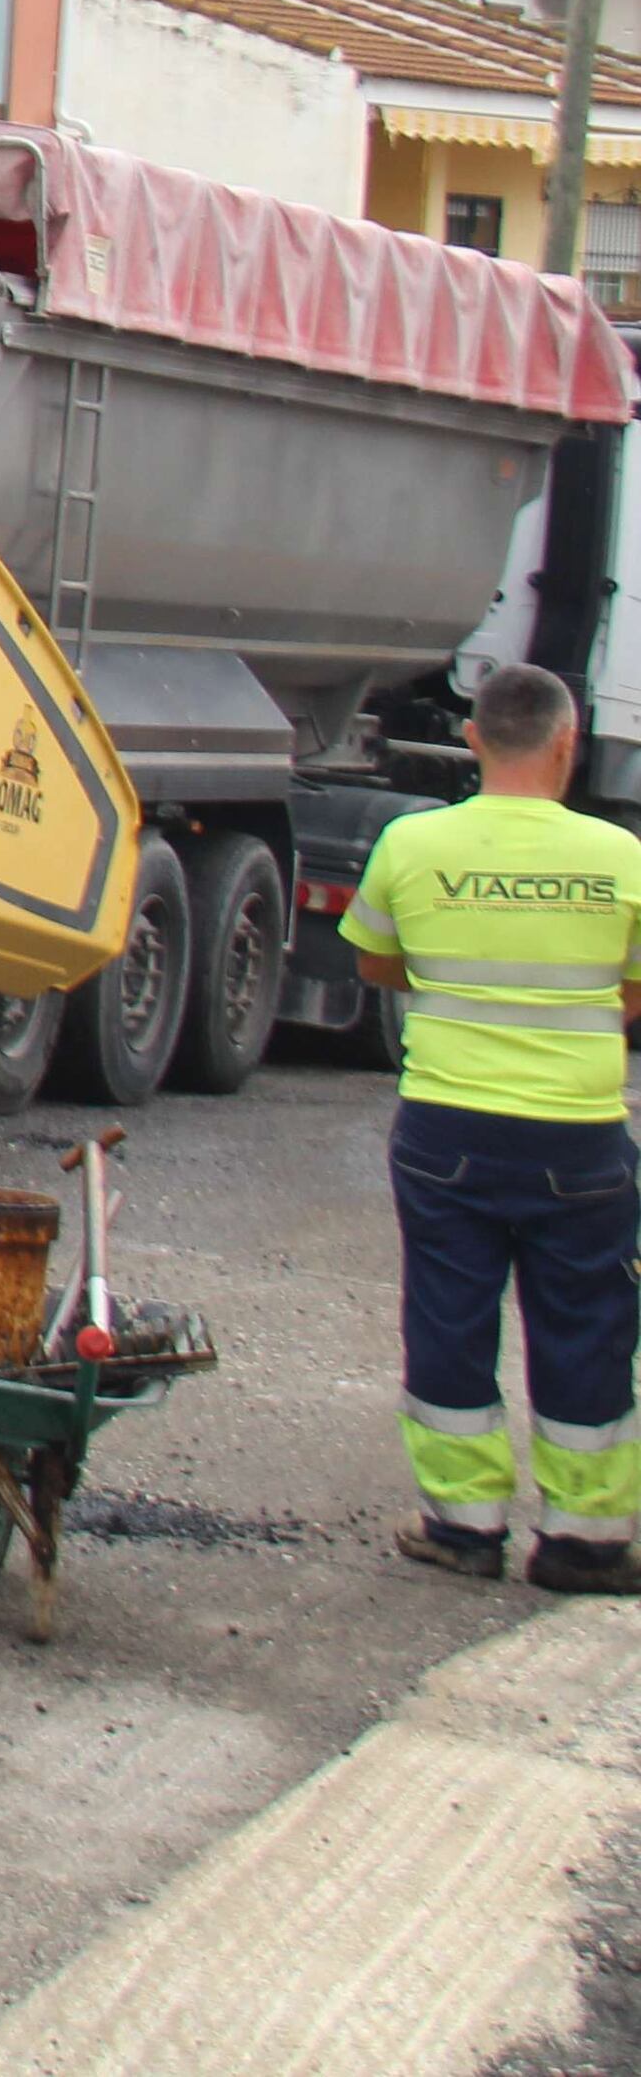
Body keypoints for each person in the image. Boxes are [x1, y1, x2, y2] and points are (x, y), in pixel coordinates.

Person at [346, 661, 641, 1591]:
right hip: (579, 1137)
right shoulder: (622, 855)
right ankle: (584, 1541)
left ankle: (463, 1527)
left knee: (448, 1317)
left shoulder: (410, 841)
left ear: (473, 738)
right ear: (568, 742)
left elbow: (376, 965)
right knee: (589, 1325)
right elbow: (634, 991)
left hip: (446, 1129)